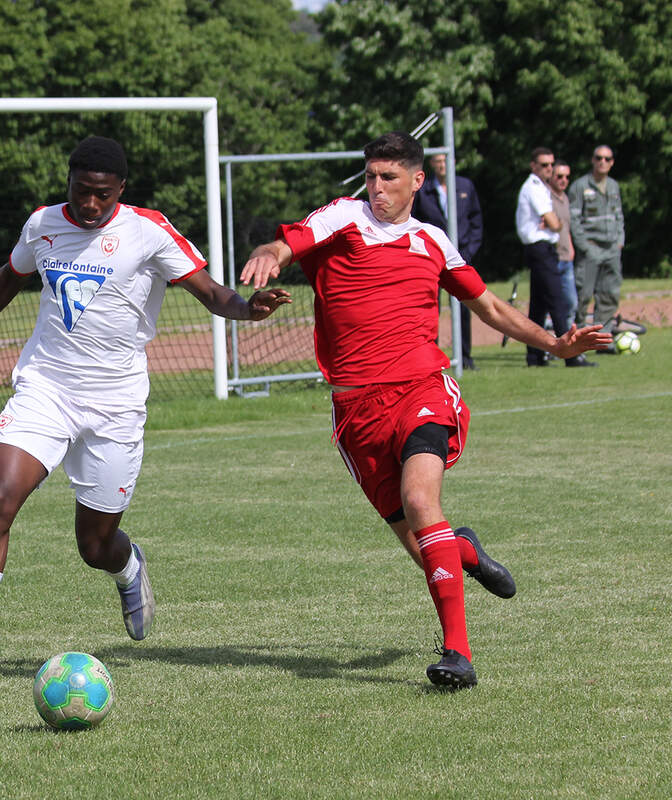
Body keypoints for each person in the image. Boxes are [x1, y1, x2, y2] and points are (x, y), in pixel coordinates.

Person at [0, 135, 291, 697]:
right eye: (80, 192)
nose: (90, 205)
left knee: (94, 544)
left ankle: (128, 567)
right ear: (68, 183)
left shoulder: (148, 231)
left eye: (102, 195)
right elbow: (7, 279)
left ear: (121, 190)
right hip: (46, 388)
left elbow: (210, 292)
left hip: (115, 405)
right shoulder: (42, 225)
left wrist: (245, 308)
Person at [240, 132, 610, 688]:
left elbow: (487, 305)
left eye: (389, 178)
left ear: (417, 181)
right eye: (370, 177)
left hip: (421, 388)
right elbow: (289, 243)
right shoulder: (342, 217)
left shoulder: (433, 240)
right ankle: (462, 547)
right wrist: (269, 254)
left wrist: (555, 344)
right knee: (422, 543)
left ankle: (457, 654)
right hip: (354, 412)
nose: (377, 188)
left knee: (419, 499)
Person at [516, 147, 593, 367]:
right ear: (533, 166)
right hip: (540, 248)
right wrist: (556, 224)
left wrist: (553, 223)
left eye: (551, 164)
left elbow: (552, 221)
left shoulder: (540, 187)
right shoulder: (535, 188)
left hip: (542, 248)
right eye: (544, 165)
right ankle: (571, 355)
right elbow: (553, 222)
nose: (549, 169)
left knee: (539, 307)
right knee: (557, 301)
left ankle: (535, 355)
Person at [411, 152, 483, 370]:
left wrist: (467, 253)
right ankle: (429, 360)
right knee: (429, 309)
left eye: (446, 161)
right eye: (438, 162)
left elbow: (475, 222)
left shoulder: (465, 186)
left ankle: (465, 358)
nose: (442, 165)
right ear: (432, 164)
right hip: (430, 259)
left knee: (464, 307)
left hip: (460, 257)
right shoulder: (423, 190)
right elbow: (413, 222)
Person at [569, 145, 625, 340]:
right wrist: (585, 247)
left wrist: (620, 241)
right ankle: (578, 338)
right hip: (590, 248)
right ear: (592, 160)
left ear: (612, 163)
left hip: (611, 249)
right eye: (599, 158)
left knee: (609, 294)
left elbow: (619, 216)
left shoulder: (613, 186)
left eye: (607, 159)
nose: (603, 162)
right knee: (583, 295)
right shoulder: (580, 186)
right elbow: (573, 220)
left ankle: (603, 338)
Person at [549, 160, 577, 330]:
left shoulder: (565, 198)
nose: (563, 180)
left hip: (567, 258)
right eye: (559, 176)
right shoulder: (545, 197)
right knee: (551, 305)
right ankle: (549, 343)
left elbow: (566, 227)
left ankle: (567, 344)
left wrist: (571, 248)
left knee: (571, 303)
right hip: (552, 258)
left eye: (567, 177)